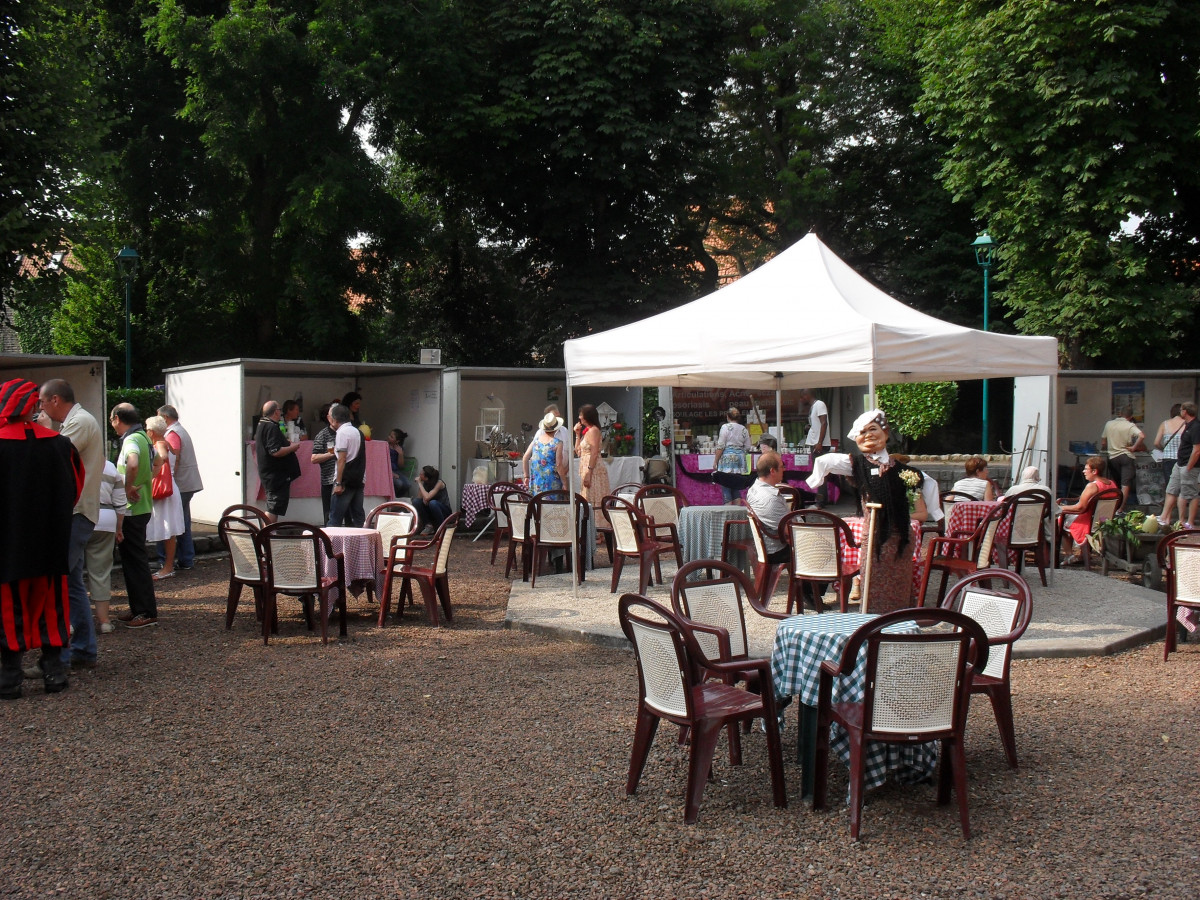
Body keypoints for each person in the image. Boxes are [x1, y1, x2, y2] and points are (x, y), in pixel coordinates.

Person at [805, 409, 942, 613]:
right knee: (873, 578)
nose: (868, 435)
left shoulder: (902, 470)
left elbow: (928, 482)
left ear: (885, 434)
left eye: (873, 429)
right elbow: (825, 461)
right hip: (874, 535)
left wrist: (937, 512)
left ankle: (897, 617)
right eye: (862, 432)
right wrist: (815, 479)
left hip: (900, 535)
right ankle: (872, 619)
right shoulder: (858, 464)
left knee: (898, 578)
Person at [0, 379, 83, 698]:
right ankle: (54, 674)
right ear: (33, 405)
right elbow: (75, 489)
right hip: (50, 541)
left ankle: (10, 679)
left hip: (9, 544)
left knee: (10, 609)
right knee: (52, 607)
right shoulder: (60, 445)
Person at [38, 379, 103, 670]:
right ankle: (84, 650)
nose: (39, 408)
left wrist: (42, 430)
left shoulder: (79, 422)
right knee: (72, 584)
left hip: (75, 513)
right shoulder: (79, 420)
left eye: (41, 402)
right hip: (79, 511)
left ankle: (58, 658)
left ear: (54, 400)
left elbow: (51, 458)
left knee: (58, 584)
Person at [110, 403, 158, 628]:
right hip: (143, 506)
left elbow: (133, 463)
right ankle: (138, 607)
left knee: (135, 561)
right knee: (132, 560)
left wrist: (129, 487)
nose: (113, 426)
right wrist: (146, 482)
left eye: (112, 421)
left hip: (131, 509)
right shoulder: (145, 437)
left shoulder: (131, 440)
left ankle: (146, 611)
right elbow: (159, 462)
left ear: (118, 418)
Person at [157, 404, 203, 570]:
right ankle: (186, 559)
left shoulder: (172, 433)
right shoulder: (179, 430)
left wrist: (170, 477)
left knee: (174, 522)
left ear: (165, 418)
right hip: (187, 483)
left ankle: (172, 560)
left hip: (181, 483)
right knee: (182, 522)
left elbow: (174, 456)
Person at [86, 460, 125, 633]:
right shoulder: (109, 466)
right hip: (107, 518)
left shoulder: (70, 459)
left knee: (71, 572)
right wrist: (119, 528)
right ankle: (104, 621)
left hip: (79, 516)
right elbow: (120, 501)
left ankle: (71, 621)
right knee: (101, 572)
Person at [1057, 456, 1118, 565]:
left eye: (1086, 469)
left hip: (1088, 521)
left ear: (1094, 471)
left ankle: (1069, 555)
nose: (1083, 471)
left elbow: (1080, 507)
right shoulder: (1112, 484)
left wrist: (1060, 508)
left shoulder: (1092, 486)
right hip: (1103, 521)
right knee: (1066, 516)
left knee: (1058, 520)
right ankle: (1081, 555)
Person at [145, 416, 185, 580]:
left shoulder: (160, 444)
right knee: (169, 530)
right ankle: (167, 565)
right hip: (170, 487)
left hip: (164, 490)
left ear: (151, 432)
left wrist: (153, 470)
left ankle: (168, 567)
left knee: (168, 530)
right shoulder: (167, 442)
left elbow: (162, 456)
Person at [254, 400, 301, 523]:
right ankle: (267, 535)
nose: (280, 412)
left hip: (271, 473)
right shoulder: (270, 427)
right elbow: (275, 451)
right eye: (279, 409)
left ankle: (268, 534)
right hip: (275, 475)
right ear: (276, 411)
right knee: (273, 506)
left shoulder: (262, 424)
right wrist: (292, 447)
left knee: (274, 505)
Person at [1157, 401, 1199, 530]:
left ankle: (1188, 522)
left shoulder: (1196, 426)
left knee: (1188, 493)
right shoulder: (1186, 425)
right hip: (1178, 463)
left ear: (1185, 411)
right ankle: (1163, 516)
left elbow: (1197, 450)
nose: (1180, 412)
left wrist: (1189, 466)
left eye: (1181, 410)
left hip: (1188, 465)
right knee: (1171, 489)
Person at [745, 451, 790, 566]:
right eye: (781, 466)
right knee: (825, 550)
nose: (784, 469)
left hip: (767, 545)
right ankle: (810, 583)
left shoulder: (753, 489)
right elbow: (791, 532)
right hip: (777, 549)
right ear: (772, 471)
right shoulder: (771, 498)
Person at [328, 403, 366, 527]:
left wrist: (338, 483)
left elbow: (342, 459)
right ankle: (362, 545)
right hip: (359, 478)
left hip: (345, 480)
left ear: (334, 419)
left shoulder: (342, 433)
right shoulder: (357, 432)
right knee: (358, 517)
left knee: (335, 518)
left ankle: (330, 545)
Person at [1100, 406, 1145, 507]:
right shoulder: (1130, 425)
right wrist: (1134, 447)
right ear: (1131, 416)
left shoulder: (1109, 424)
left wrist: (1104, 448)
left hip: (1112, 457)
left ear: (1120, 413)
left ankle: (1112, 506)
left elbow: (1103, 442)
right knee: (1125, 484)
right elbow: (1142, 436)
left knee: (1115, 482)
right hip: (1126, 456)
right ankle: (1120, 508)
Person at [799, 389, 831, 507]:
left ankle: (821, 502)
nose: (802, 400)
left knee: (820, 472)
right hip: (815, 443)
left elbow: (824, 423)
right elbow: (818, 424)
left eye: (803, 397)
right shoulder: (814, 407)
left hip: (819, 445)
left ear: (807, 395)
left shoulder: (820, 404)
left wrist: (819, 442)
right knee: (819, 471)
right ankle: (821, 499)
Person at [523, 411, 568, 494]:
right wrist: (564, 482)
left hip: (536, 480)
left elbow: (525, 457)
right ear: (556, 428)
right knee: (552, 505)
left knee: (537, 503)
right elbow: (559, 464)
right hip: (552, 481)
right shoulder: (558, 443)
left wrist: (526, 476)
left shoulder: (535, 441)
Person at [714, 407, 752, 503]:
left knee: (726, 485)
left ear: (727, 416)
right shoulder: (744, 429)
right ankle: (737, 510)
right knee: (735, 485)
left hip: (727, 459)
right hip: (739, 460)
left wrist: (715, 461)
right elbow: (748, 446)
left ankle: (728, 511)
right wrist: (739, 452)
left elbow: (721, 446)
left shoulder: (725, 427)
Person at [573, 404, 610, 504]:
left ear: (587, 416)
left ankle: (597, 519)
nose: (579, 417)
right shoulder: (587, 431)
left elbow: (594, 453)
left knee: (594, 497)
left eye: (581, 414)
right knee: (587, 497)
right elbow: (578, 452)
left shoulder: (594, 430)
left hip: (593, 469)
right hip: (586, 467)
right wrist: (577, 434)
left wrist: (589, 473)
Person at [309, 403, 338, 524]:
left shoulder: (348, 433)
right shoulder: (322, 435)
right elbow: (314, 458)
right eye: (335, 416)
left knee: (348, 516)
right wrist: (333, 453)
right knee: (329, 516)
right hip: (328, 480)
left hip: (346, 480)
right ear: (329, 418)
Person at [1153, 403, 1185, 492]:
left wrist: (1163, 449)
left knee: (1170, 484)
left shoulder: (1165, 424)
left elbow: (1156, 443)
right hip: (1182, 458)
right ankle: (1181, 503)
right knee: (1182, 484)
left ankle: (1171, 503)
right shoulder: (1187, 424)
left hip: (1168, 459)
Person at [413, 465, 451, 533]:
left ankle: (441, 527)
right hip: (430, 509)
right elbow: (419, 498)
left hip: (443, 510)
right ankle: (428, 525)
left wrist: (419, 483)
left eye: (421, 474)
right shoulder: (425, 483)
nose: (419, 476)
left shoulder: (439, 483)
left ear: (426, 478)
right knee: (416, 501)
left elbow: (428, 497)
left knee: (433, 503)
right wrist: (421, 484)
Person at [387, 428, 411, 497]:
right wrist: (392, 473)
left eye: (391, 437)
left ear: (397, 441)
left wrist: (400, 454)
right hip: (387, 471)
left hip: (396, 471)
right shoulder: (385, 446)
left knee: (408, 485)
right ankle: (392, 498)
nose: (388, 437)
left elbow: (401, 466)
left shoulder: (400, 448)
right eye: (389, 435)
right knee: (399, 484)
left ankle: (397, 498)